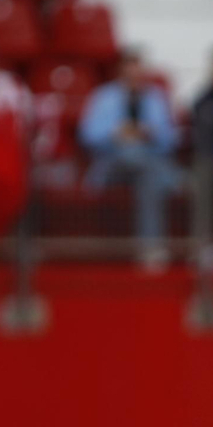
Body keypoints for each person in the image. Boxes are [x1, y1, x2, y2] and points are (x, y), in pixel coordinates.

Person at [79, 50, 182, 269]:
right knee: (133, 155)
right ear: (121, 72)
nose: (134, 76)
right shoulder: (103, 96)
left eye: (138, 71)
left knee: (146, 173)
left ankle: (149, 249)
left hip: (148, 165)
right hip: (111, 166)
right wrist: (115, 133)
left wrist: (150, 133)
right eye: (129, 71)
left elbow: (171, 139)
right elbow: (88, 135)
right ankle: (151, 247)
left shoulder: (156, 98)